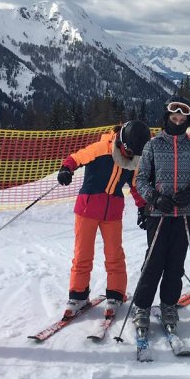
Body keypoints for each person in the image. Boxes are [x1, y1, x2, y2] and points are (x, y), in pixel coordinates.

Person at [57, 120, 150, 319]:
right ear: (122, 141)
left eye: (135, 153)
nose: (130, 156)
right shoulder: (100, 149)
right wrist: (66, 169)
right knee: (82, 254)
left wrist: (143, 208)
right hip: (87, 209)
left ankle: (115, 294)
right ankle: (78, 295)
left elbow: (135, 186)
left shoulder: (133, 160)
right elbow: (76, 158)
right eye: (128, 151)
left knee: (114, 254)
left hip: (113, 212)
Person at [132, 97, 190, 338]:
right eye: (174, 118)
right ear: (167, 118)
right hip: (158, 213)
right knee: (153, 262)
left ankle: (169, 305)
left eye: (182, 119)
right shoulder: (153, 145)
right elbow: (141, 180)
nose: (178, 122)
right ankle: (142, 306)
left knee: (175, 263)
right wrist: (154, 198)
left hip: (184, 214)